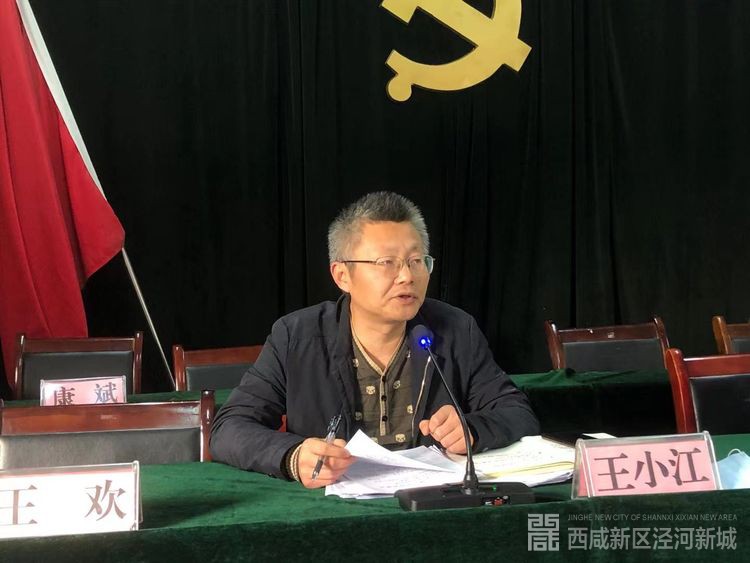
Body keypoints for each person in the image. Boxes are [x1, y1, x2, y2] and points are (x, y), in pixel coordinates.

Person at [210, 191, 539, 488]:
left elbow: (517, 412)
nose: (407, 276)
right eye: (386, 263)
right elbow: (229, 428)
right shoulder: (297, 336)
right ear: (342, 275)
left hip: (429, 502)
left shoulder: (455, 329)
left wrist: (473, 429)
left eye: (416, 261)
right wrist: (293, 456)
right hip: (334, 508)